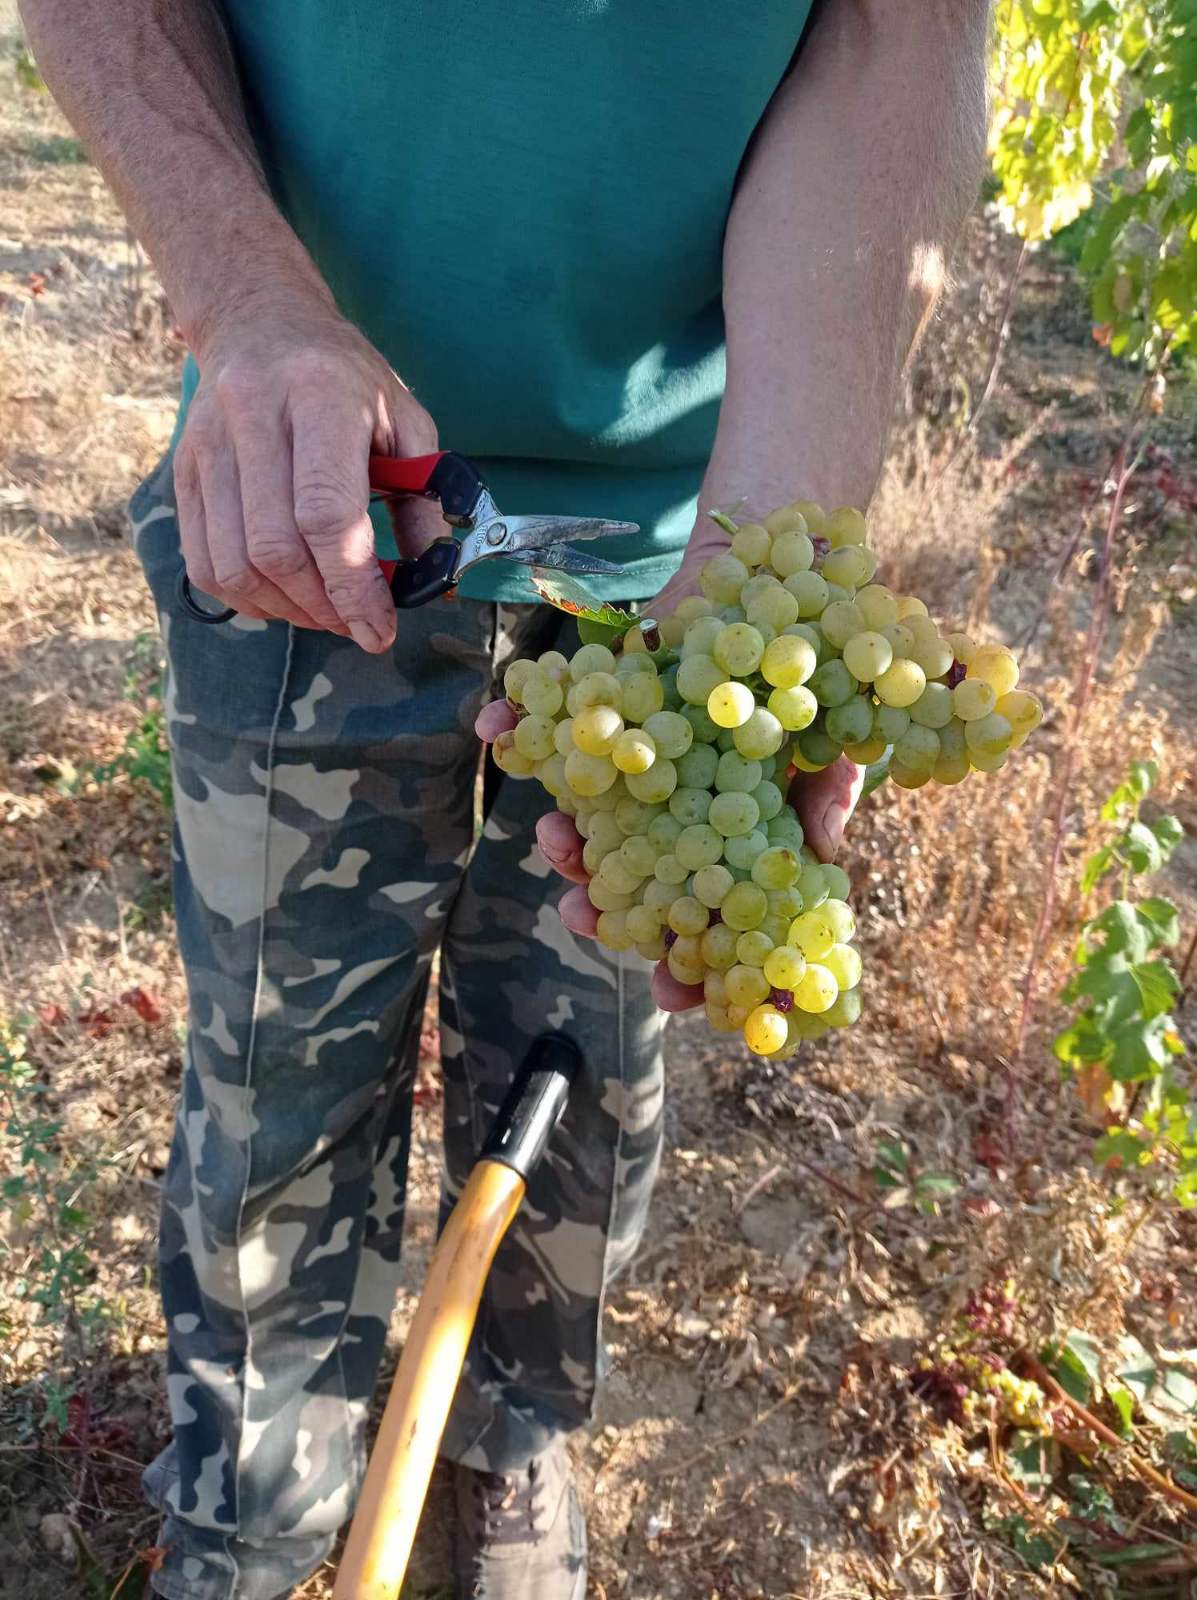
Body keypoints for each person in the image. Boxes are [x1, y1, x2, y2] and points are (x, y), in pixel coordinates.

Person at [19, 2, 990, 1595]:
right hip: (313, 496)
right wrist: (250, 299)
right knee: (277, 1061)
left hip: (689, 549)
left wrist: (775, 546)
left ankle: (504, 1437)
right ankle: (254, 1516)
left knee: (586, 1051)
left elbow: (894, 26)